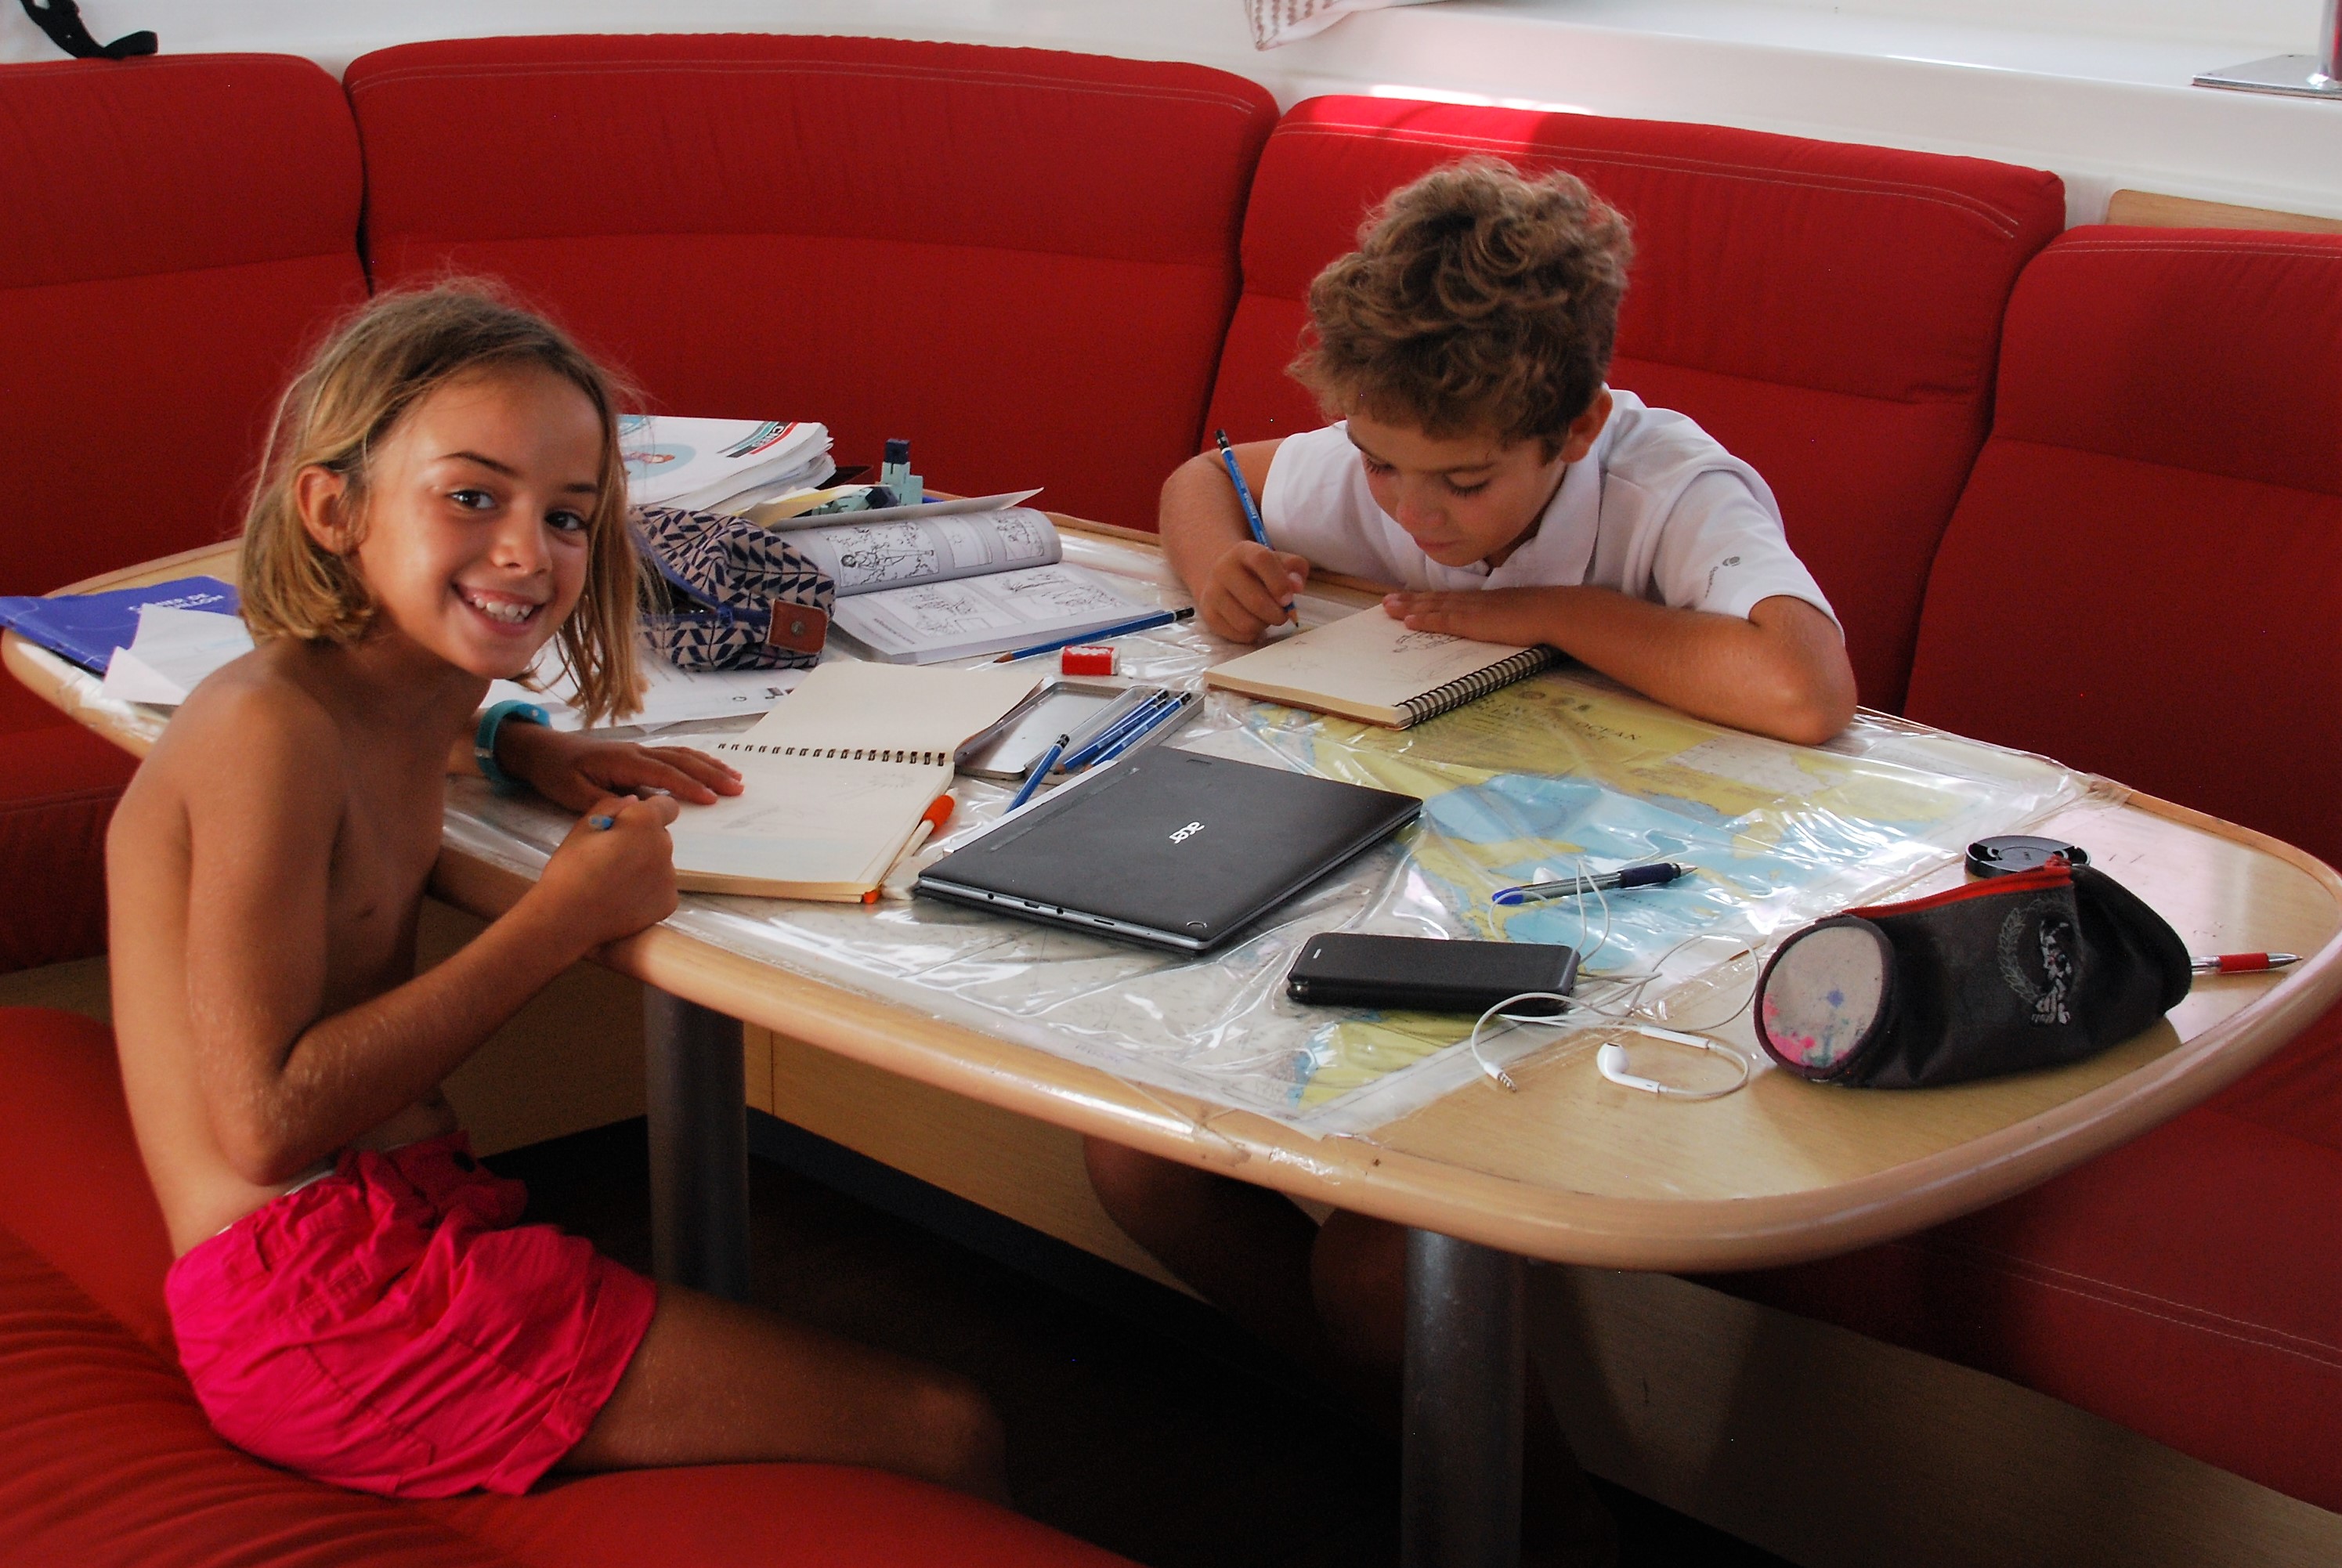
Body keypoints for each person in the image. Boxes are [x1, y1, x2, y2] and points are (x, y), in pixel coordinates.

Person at [107, 285, 1006, 1502]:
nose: (529, 552)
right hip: (317, 1303)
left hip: (380, 1225)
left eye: (568, 515)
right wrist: (560, 919)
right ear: (332, 508)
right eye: (472, 497)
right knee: (950, 1430)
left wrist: (521, 743)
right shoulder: (262, 731)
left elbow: (414, 736)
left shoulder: (396, 689)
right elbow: (263, 1121)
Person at [1096, 158, 1858, 1562]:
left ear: (1575, 427)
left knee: (1380, 1268)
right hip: (1423, 871)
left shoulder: (1670, 486)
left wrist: (1549, 611)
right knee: (1137, 1166)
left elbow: (1803, 690)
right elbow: (1207, 479)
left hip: (1644, 921)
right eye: (1378, 464)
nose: (1412, 513)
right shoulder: (1400, 455)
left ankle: (1553, 1528)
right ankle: (1418, 1437)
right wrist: (1216, 568)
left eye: (1459, 482)